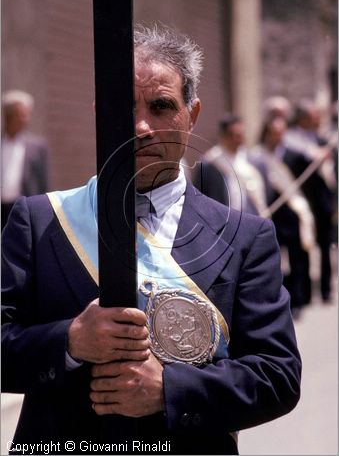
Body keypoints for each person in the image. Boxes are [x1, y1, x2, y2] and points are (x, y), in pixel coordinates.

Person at [2, 24, 301, 455]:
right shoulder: (40, 220)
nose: (140, 126)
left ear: (192, 115)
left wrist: (169, 390)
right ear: (98, 110)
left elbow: (278, 376)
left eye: (161, 106)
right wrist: (69, 340)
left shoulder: (246, 238)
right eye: (125, 106)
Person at [250, 116, 315, 316]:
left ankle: (300, 298)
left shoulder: (294, 155)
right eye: (274, 132)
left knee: (298, 257)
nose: (278, 137)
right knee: (276, 259)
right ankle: (280, 298)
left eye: (281, 132)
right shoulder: (258, 156)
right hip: (273, 214)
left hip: (292, 213)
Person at [284, 100, 336, 303]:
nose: (317, 119)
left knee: (325, 244)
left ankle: (325, 289)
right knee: (304, 246)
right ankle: (304, 292)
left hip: (322, 203)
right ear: (303, 118)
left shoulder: (322, 140)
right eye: (314, 115)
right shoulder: (292, 140)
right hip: (302, 201)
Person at [194, 114, 267, 216]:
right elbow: (200, 197)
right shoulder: (209, 164)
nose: (237, 139)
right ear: (223, 136)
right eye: (232, 135)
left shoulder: (255, 162)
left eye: (240, 135)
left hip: (250, 220)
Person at [1, 90, 49, 230]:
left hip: (23, 209)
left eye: (27, 114)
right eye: (21, 114)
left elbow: (44, 184)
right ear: (8, 115)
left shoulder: (38, 147)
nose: (26, 119)